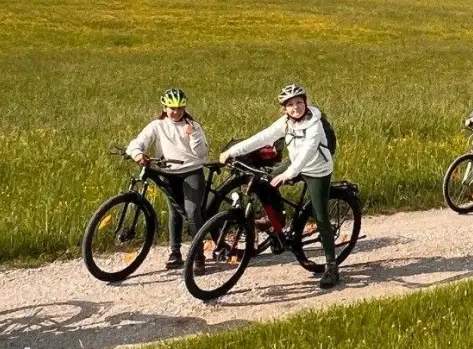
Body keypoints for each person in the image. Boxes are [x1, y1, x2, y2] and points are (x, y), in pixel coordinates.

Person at [222, 84, 341, 288]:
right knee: (264, 183)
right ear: (284, 108)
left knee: (320, 216)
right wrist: (232, 151)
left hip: (317, 169)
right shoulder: (286, 122)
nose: (295, 107)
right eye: (290, 104)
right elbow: (262, 137)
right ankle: (276, 220)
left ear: (306, 103)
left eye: (299, 102)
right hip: (295, 165)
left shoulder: (315, 123)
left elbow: (309, 151)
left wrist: (288, 174)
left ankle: (332, 266)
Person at [126, 88, 210, 271]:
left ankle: (198, 256)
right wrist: (137, 153)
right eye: (172, 108)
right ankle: (175, 253)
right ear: (164, 108)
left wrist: (193, 135)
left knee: (192, 212)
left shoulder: (193, 125)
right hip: (169, 173)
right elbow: (138, 142)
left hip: (191, 172)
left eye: (179, 108)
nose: (176, 112)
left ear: (184, 108)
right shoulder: (157, 125)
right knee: (175, 213)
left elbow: (202, 153)